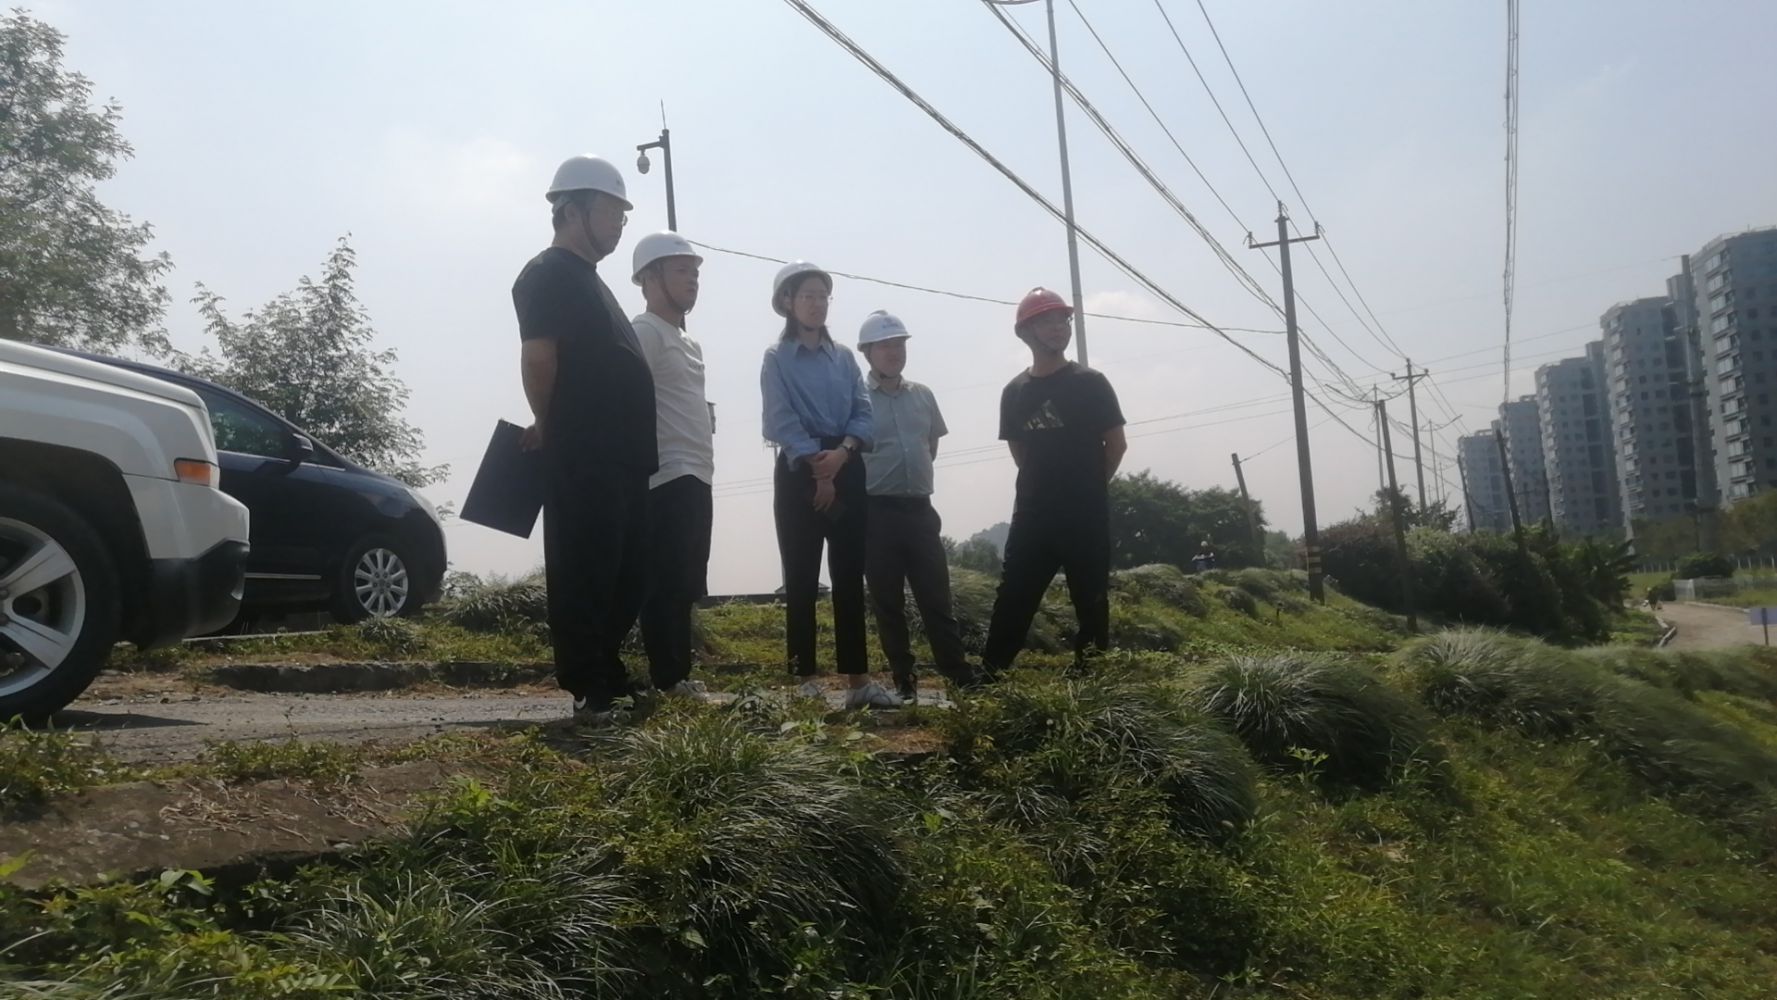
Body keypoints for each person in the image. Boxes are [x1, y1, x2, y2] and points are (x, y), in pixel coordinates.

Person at [512, 154, 655, 721]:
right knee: (587, 568)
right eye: (611, 211)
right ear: (572, 211)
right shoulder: (547, 273)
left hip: (623, 455)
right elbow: (538, 358)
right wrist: (548, 422)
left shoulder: (593, 281)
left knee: (628, 570)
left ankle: (608, 671)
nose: (620, 223)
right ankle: (589, 688)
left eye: (623, 213)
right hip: (584, 450)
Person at [761, 262, 900, 709]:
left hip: (846, 461)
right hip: (798, 468)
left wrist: (841, 454)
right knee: (801, 575)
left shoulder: (843, 358)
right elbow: (779, 418)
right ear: (787, 301)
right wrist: (817, 467)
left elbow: (863, 411)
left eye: (823, 296)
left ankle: (858, 681)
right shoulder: (776, 358)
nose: (817, 304)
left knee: (848, 574)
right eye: (808, 295)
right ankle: (804, 679)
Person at [982, 287, 1127, 676]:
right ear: (1026, 331)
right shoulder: (1014, 393)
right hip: (1033, 514)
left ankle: (1090, 675)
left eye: (1062, 319)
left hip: (1085, 513)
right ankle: (991, 673)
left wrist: (1087, 488)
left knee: (1090, 598)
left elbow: (1116, 445)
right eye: (1047, 321)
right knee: (1014, 594)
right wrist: (1043, 488)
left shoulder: (1091, 383)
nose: (1058, 327)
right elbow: (1020, 453)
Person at [855, 310, 978, 703]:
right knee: (887, 601)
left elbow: (930, 446)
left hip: (921, 511)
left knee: (936, 598)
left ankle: (958, 676)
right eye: (885, 346)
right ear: (867, 352)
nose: (894, 352)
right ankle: (904, 681)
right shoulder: (856, 400)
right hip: (876, 513)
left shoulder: (923, 395)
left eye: (899, 345)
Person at [629, 232, 714, 700]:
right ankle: (667, 678)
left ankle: (677, 674)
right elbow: (622, 399)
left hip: (697, 470)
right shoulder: (644, 331)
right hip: (665, 473)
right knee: (666, 579)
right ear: (648, 277)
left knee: (686, 579)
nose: (692, 280)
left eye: (695, 272)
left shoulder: (688, 341)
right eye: (681, 270)